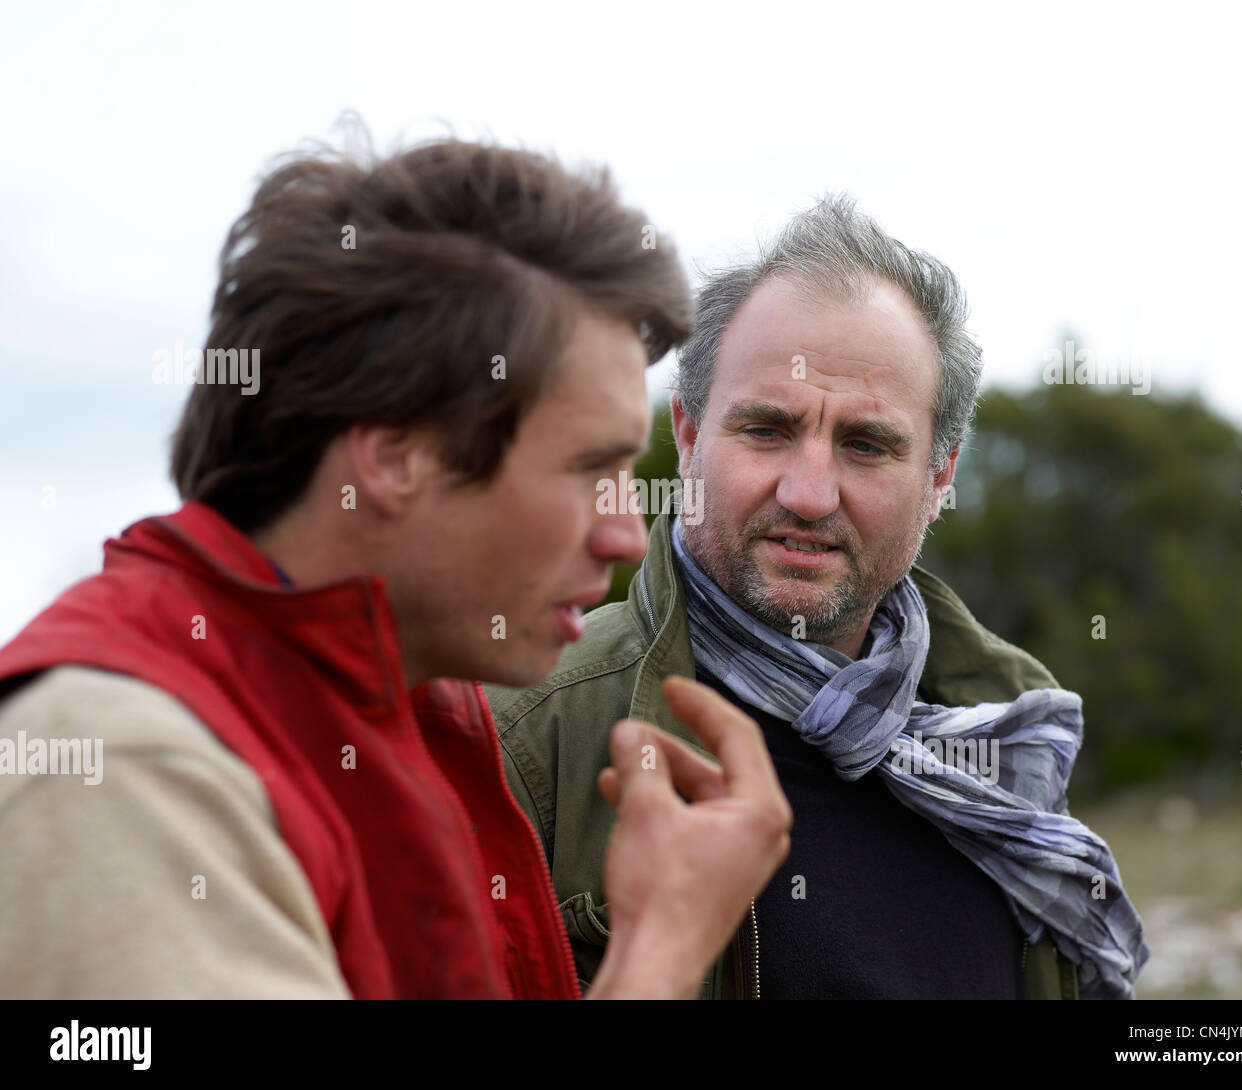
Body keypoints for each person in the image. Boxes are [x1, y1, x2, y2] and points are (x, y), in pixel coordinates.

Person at [0, 134, 792, 999]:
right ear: (392, 458)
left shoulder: (413, 712)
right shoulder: (126, 765)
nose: (628, 534)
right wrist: (661, 951)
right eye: (587, 470)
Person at [487, 196, 1150, 999]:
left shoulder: (1011, 728)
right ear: (689, 436)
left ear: (940, 476)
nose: (808, 494)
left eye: (867, 445)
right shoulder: (521, 737)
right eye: (766, 429)